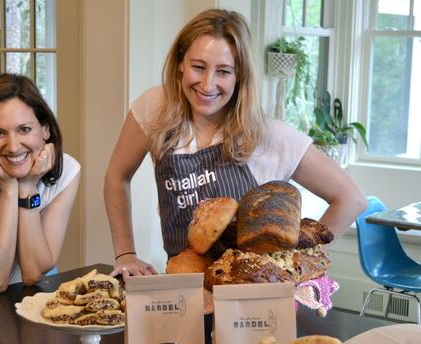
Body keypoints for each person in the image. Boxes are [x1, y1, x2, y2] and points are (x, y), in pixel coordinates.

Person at [104, 9, 367, 278]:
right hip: (184, 289)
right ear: (180, 63)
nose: (207, 84)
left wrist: (298, 263)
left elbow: (351, 199)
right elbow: (117, 176)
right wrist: (125, 254)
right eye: (198, 67)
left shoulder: (268, 135)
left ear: (239, 75)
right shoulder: (156, 107)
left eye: (223, 71)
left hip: (249, 301)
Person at [0, 74, 80, 292]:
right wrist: (9, 189)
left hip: (30, 302)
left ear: (46, 130)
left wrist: (28, 187)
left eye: (24, 129)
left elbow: (33, 272)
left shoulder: (67, 170)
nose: (12, 147)